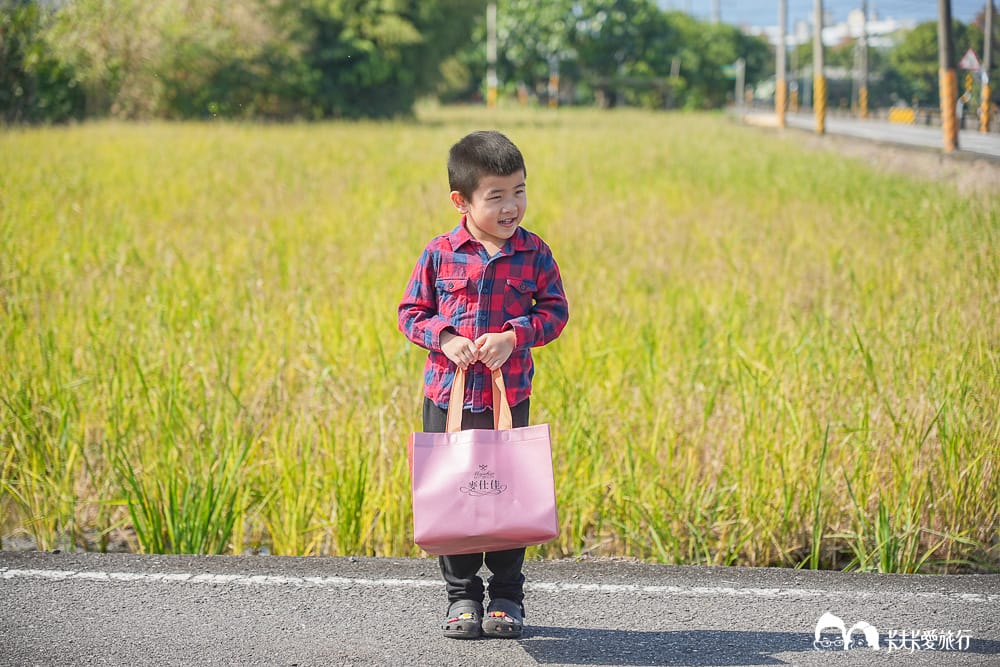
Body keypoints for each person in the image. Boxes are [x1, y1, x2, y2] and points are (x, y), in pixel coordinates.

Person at [398, 130, 569, 639]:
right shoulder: (439, 253)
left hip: (506, 396)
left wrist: (515, 336)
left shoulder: (535, 253)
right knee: (457, 494)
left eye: (519, 191)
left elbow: (555, 313)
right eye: (496, 196)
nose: (511, 205)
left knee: (508, 492)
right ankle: (461, 597)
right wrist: (445, 337)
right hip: (447, 396)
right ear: (461, 201)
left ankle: (508, 597)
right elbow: (410, 314)